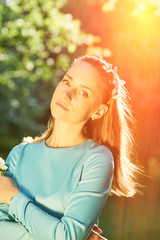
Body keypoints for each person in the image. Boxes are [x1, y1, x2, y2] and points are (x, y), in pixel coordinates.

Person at [0, 55, 142, 240]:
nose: (66, 94)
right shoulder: (19, 154)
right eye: (67, 82)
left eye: (83, 92)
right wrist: (58, 233)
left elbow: (66, 237)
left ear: (99, 111)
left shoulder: (96, 159)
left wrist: (13, 197)